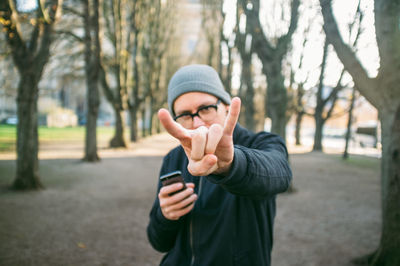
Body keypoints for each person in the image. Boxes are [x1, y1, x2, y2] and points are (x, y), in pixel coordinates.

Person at [147, 64, 292, 266]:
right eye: (185, 115)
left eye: (206, 109)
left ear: (225, 105)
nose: (197, 123)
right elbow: (158, 242)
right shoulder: (173, 159)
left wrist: (230, 165)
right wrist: (165, 216)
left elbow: (281, 174)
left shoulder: (262, 144)